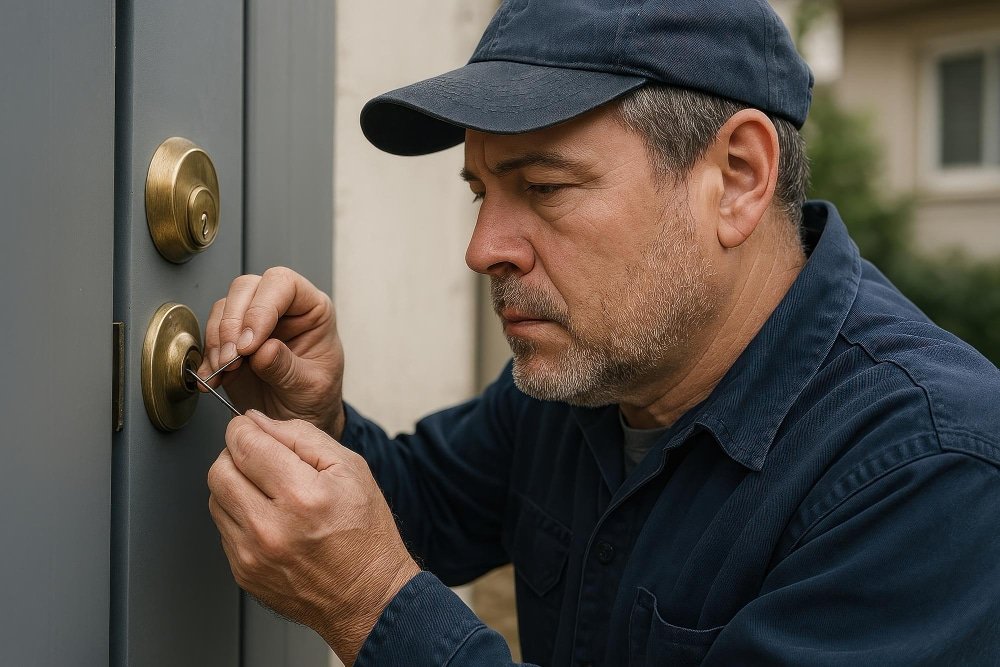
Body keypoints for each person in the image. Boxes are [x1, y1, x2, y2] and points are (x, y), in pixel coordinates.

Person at [200, 1, 1000, 665]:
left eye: (544, 186)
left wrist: (373, 607)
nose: (483, 249)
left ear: (739, 179)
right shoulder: (600, 368)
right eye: (481, 192)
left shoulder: (934, 474)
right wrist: (317, 424)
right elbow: (417, 512)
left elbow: (375, 574)